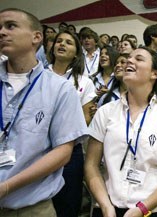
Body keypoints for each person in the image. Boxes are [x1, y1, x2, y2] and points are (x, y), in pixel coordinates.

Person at [0, 8, 87, 216]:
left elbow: (62, 153)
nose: (2, 32)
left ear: (36, 37)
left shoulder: (60, 89)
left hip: (32, 208)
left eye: (10, 26)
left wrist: (7, 187)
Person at [84, 47, 157, 217]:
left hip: (152, 210)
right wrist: (105, 206)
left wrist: (142, 208)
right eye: (128, 58)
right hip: (108, 209)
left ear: (154, 73)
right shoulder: (106, 112)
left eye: (138, 59)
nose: (129, 61)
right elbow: (91, 165)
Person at [48, 30, 97, 217]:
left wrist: (62, 134)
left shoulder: (84, 82)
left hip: (70, 149)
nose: (62, 44)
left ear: (77, 52)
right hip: (40, 147)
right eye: (59, 41)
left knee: (68, 204)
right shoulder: (38, 75)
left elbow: (86, 117)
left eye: (68, 42)